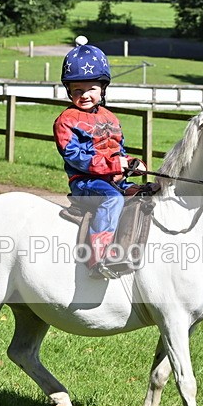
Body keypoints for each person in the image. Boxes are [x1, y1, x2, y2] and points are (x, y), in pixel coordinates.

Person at [53, 37, 146, 279]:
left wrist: (132, 164)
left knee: (146, 194)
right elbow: (75, 157)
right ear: (69, 92)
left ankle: (134, 250)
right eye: (77, 91)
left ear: (102, 89)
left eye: (91, 89)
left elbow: (119, 152)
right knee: (113, 200)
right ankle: (98, 257)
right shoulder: (66, 120)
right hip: (86, 182)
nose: (84, 95)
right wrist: (115, 164)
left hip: (114, 178)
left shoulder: (110, 117)